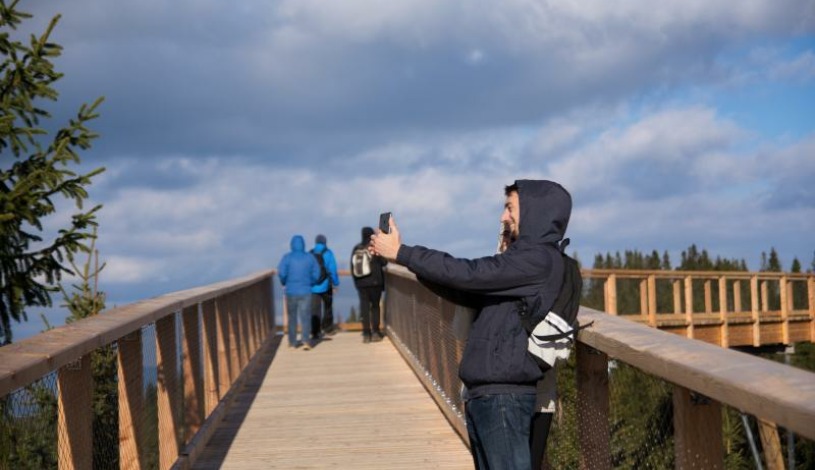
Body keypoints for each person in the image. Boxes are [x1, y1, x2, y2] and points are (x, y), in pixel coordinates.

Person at [370, 179, 571, 469]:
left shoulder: (537, 258)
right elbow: (463, 287)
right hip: (490, 395)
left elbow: (470, 274)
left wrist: (403, 253)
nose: (503, 217)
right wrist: (405, 260)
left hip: (505, 397)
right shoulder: (525, 258)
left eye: (509, 208)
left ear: (534, 211)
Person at [278, 234, 321, 350]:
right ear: (303, 244)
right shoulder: (309, 257)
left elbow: (281, 273)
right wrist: (311, 282)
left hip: (291, 291)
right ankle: (306, 340)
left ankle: (292, 342)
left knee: (292, 317)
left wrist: (284, 282)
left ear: (292, 245)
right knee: (305, 316)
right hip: (306, 291)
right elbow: (317, 273)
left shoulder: (287, 258)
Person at [350, 227, 388, 343]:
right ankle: (375, 332)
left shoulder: (357, 248)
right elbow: (384, 262)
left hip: (361, 283)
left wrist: (357, 283)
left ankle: (366, 334)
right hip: (375, 282)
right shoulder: (374, 247)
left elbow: (352, 268)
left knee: (364, 308)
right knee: (375, 307)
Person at [310, 234, 340, 340]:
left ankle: (315, 332)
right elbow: (332, 269)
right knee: (328, 307)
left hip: (312, 286)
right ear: (325, 242)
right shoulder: (328, 253)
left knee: (315, 309)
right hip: (326, 285)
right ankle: (328, 328)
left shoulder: (310, 253)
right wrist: (336, 283)